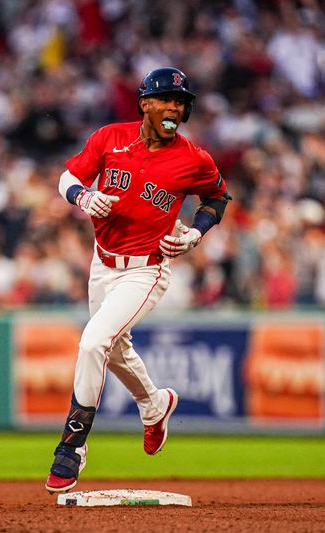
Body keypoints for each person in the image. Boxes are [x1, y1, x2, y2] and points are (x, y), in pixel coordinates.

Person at [45, 67, 231, 493]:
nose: (175, 107)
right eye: (166, 98)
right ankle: (154, 403)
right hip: (102, 262)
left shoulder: (193, 159)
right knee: (113, 350)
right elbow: (67, 177)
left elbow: (218, 197)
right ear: (145, 103)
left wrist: (197, 235)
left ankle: (72, 445)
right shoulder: (110, 138)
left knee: (94, 342)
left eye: (181, 102)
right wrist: (83, 196)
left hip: (148, 267)